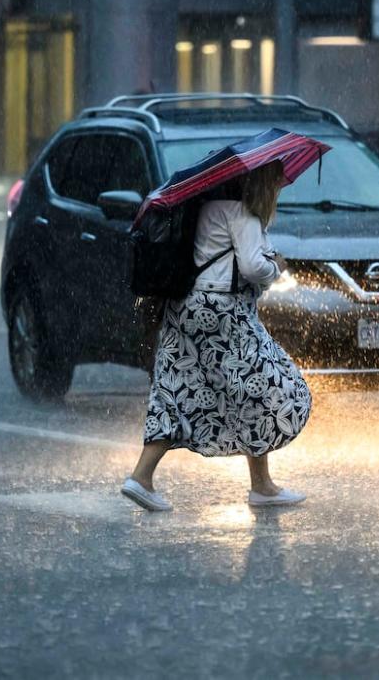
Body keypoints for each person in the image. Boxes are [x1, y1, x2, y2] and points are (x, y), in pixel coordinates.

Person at [121, 161, 312, 512]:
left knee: (176, 388)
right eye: (276, 183)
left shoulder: (203, 207)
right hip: (223, 312)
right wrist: (277, 266)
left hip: (183, 309)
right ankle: (262, 486)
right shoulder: (244, 213)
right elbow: (254, 267)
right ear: (262, 184)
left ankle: (142, 477)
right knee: (270, 383)